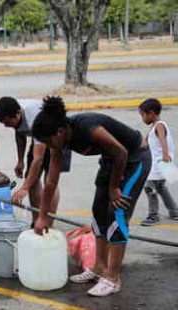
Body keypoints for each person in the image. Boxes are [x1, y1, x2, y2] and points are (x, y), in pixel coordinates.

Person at [32, 96, 151, 297]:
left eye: (47, 141)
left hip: (134, 158)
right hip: (111, 160)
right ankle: (99, 267)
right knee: (98, 212)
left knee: (117, 214)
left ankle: (113, 278)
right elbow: (51, 182)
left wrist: (114, 188)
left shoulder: (87, 127)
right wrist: (43, 216)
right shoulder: (58, 144)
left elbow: (121, 152)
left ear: (60, 132)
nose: (47, 146)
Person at [0, 97, 72, 227]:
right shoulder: (14, 112)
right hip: (40, 139)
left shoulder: (33, 117)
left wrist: (24, 188)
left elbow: (38, 159)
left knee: (50, 180)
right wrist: (20, 161)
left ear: (18, 113)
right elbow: (19, 134)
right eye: (4, 123)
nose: (6, 125)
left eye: (7, 122)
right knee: (32, 180)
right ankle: (37, 221)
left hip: (58, 139)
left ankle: (47, 223)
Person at [138, 98, 178, 226]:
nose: (142, 118)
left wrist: (165, 154)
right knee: (161, 188)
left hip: (158, 165)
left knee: (149, 188)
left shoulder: (159, 126)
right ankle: (174, 212)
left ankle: (153, 215)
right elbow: (145, 143)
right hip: (160, 165)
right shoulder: (154, 127)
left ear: (151, 113)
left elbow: (162, 140)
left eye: (142, 115)